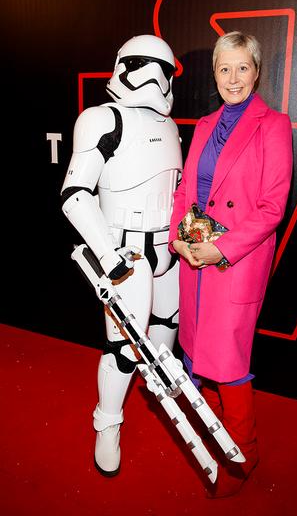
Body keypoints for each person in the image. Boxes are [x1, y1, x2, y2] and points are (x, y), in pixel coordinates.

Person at [168, 30, 293, 498]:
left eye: (243, 67)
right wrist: (179, 240)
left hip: (235, 261)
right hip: (193, 258)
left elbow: (271, 206)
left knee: (230, 358)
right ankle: (210, 434)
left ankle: (243, 453)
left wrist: (221, 249)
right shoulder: (202, 124)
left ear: (257, 72)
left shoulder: (274, 124)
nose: (233, 78)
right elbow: (185, 193)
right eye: (225, 68)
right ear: (215, 73)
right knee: (196, 350)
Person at [61, 34, 183, 476]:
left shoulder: (169, 126)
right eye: (140, 64)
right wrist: (108, 253)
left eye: (163, 69)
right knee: (124, 348)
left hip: (169, 246)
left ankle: (162, 391)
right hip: (125, 250)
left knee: (169, 328)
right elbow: (74, 194)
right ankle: (107, 422)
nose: (153, 77)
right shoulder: (101, 119)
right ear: (120, 66)